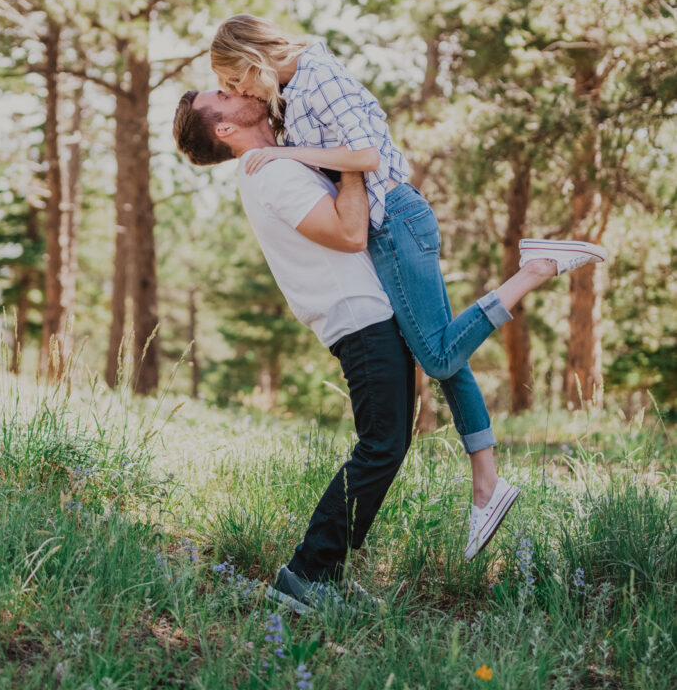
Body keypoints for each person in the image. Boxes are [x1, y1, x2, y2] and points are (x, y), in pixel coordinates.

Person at [173, 90, 607, 609]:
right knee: (382, 444)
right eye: (223, 96)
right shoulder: (270, 173)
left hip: (367, 312)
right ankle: (307, 573)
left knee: (388, 441)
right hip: (358, 318)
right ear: (223, 129)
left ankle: (322, 572)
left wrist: (331, 156)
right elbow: (351, 233)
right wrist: (349, 155)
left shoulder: (279, 161)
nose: (238, 90)